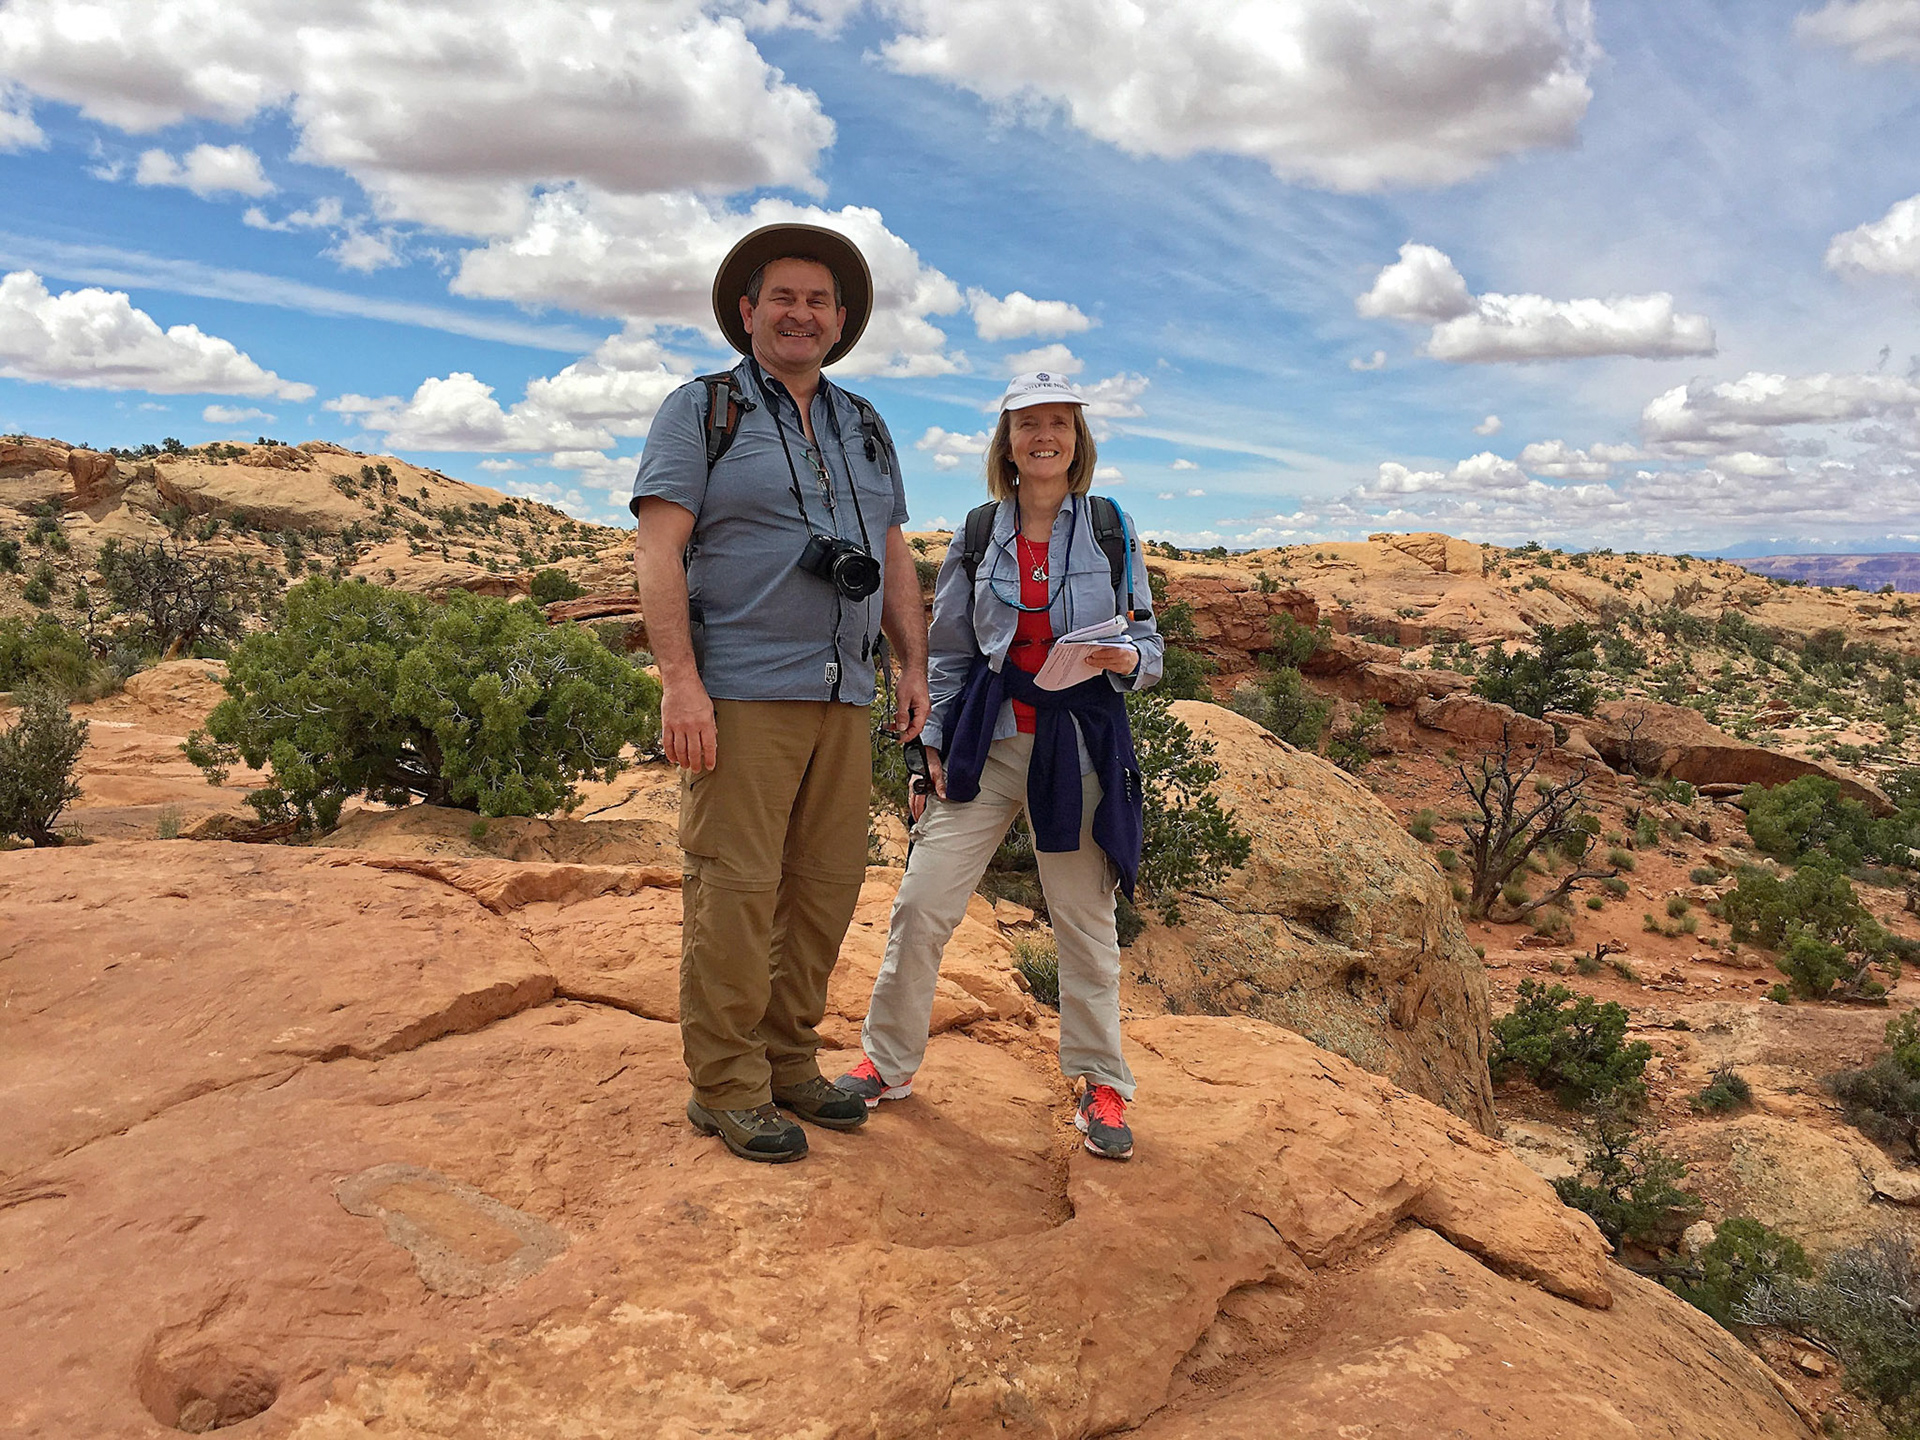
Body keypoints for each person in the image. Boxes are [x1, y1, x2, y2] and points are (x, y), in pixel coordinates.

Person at [631, 223, 929, 1164]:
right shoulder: (702, 410)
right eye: (784, 298)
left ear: (841, 321)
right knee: (736, 889)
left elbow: (891, 554)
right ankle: (724, 1086)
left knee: (824, 890)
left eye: (820, 301)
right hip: (744, 690)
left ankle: (788, 1059)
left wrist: (914, 664)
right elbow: (658, 549)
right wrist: (681, 682)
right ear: (748, 313)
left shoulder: (866, 425)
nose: (802, 313)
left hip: (845, 691)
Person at [836, 371, 1162, 1160]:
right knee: (921, 905)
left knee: (1085, 924)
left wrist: (1122, 657)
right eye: (1028, 424)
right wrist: (927, 753)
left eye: (1059, 422)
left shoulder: (1113, 528)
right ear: (1007, 443)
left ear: (1077, 439)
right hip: (989, 741)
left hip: (1078, 746)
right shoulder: (980, 533)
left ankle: (1102, 1084)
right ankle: (886, 1062)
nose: (1044, 436)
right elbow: (945, 655)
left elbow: (1151, 650)